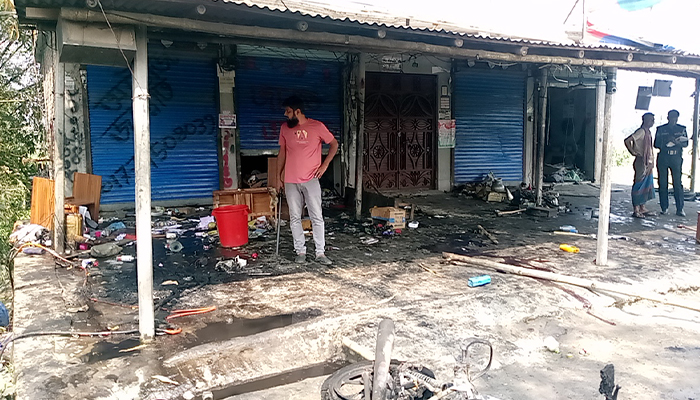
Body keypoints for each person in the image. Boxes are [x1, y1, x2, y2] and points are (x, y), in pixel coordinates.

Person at [276, 96, 339, 265]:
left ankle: (320, 253)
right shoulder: (284, 128)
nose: (285, 114)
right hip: (290, 180)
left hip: (311, 179)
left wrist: (325, 165)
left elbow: (334, 144)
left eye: (288, 111)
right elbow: (282, 153)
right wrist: (278, 176)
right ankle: (300, 251)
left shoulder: (317, 126)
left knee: (316, 216)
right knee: (295, 218)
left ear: (298, 111)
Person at [654, 109, 688, 217]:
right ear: (668, 118)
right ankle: (664, 208)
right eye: (672, 117)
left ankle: (680, 208)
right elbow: (656, 144)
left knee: (677, 183)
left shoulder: (682, 129)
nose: (673, 120)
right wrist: (666, 141)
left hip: (676, 157)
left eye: (675, 118)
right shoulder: (661, 129)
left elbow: (686, 143)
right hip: (664, 156)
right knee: (662, 183)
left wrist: (676, 142)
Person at [624, 112, 656, 218]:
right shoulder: (641, 131)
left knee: (646, 184)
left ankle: (642, 207)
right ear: (645, 120)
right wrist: (633, 152)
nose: (653, 122)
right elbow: (628, 140)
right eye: (651, 120)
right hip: (641, 161)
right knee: (639, 184)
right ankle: (636, 209)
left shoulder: (648, 132)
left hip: (648, 162)